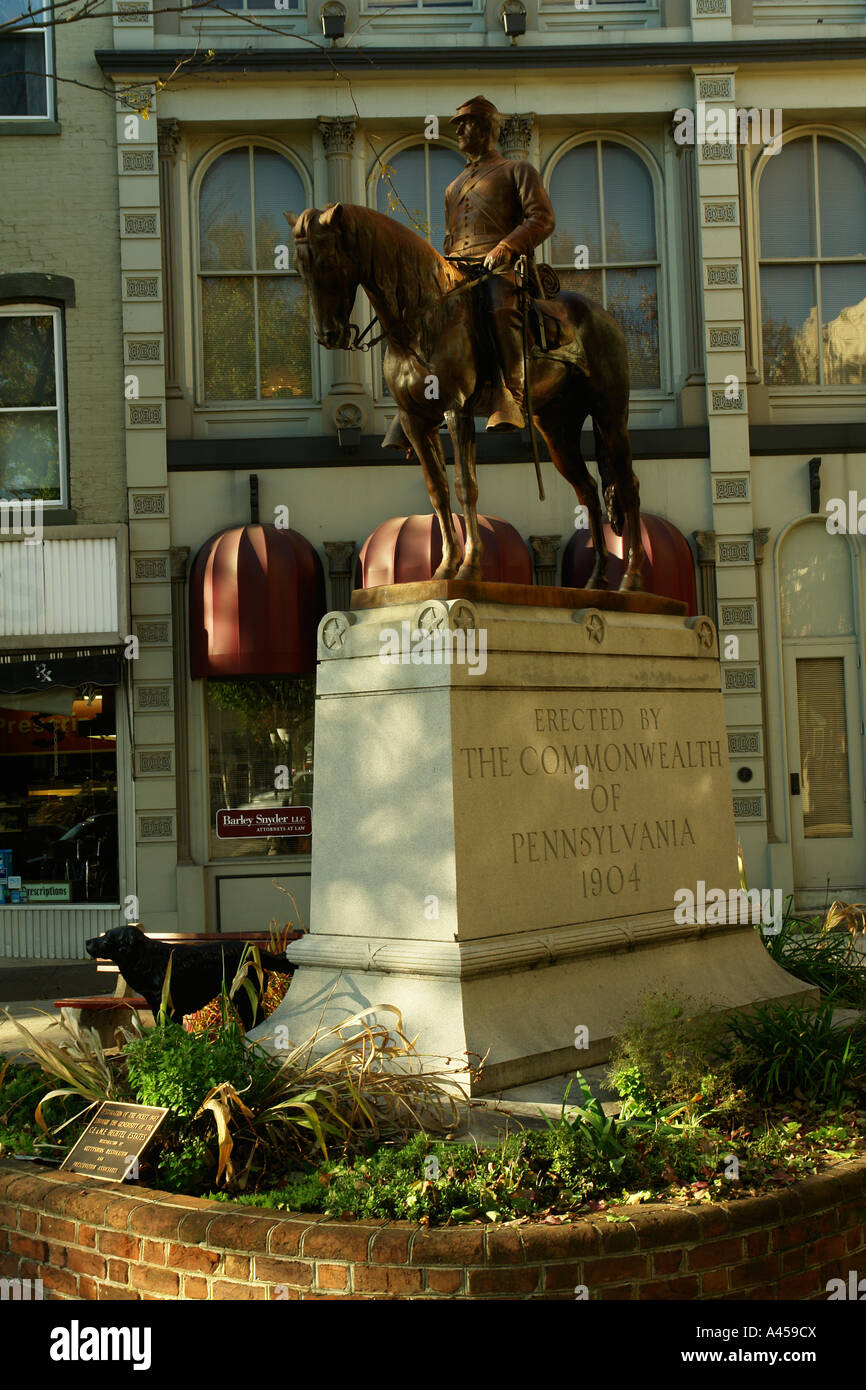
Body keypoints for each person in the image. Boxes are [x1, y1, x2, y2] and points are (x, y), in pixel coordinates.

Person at [443, 95, 555, 430]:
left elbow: (542, 218)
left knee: (499, 307)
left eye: (467, 123)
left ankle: (512, 396)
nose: (460, 129)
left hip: (500, 267)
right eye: (458, 124)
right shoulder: (452, 187)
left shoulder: (516, 170)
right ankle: (425, 400)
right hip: (458, 270)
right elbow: (449, 239)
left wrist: (508, 245)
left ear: (487, 128)